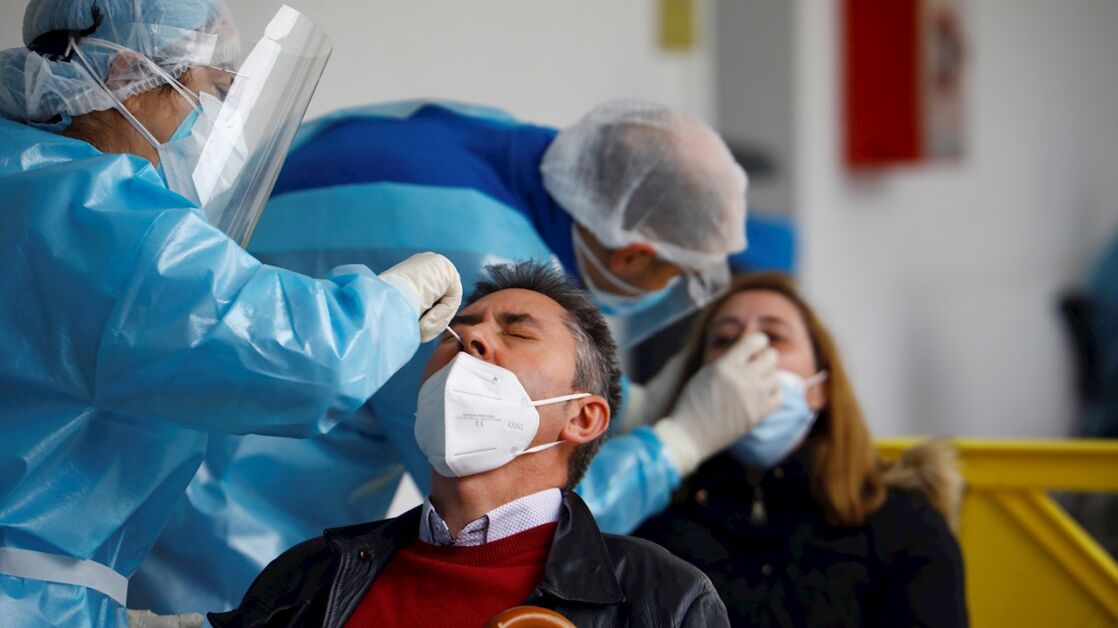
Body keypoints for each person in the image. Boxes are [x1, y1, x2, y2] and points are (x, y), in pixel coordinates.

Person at [134, 100, 784, 613]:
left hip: (155, 447)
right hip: (220, 544)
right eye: (480, 330)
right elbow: (515, 516)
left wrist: (630, 404)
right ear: (632, 254)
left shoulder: (482, 140)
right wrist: (679, 441)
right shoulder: (477, 265)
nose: (475, 342)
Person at [0, 1, 461, 626]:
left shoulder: (22, 175)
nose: (208, 119)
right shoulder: (97, 215)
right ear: (128, 75)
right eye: (208, 91)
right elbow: (305, 360)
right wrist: (396, 300)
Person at [210, 261, 731, 628]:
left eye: (518, 334)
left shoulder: (660, 599)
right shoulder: (310, 577)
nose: (470, 342)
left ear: (582, 416)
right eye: (451, 335)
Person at [635, 272, 968, 627]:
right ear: (697, 381)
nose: (746, 355)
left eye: (773, 337)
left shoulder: (904, 522)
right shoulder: (653, 517)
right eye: (725, 340)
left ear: (820, 388)